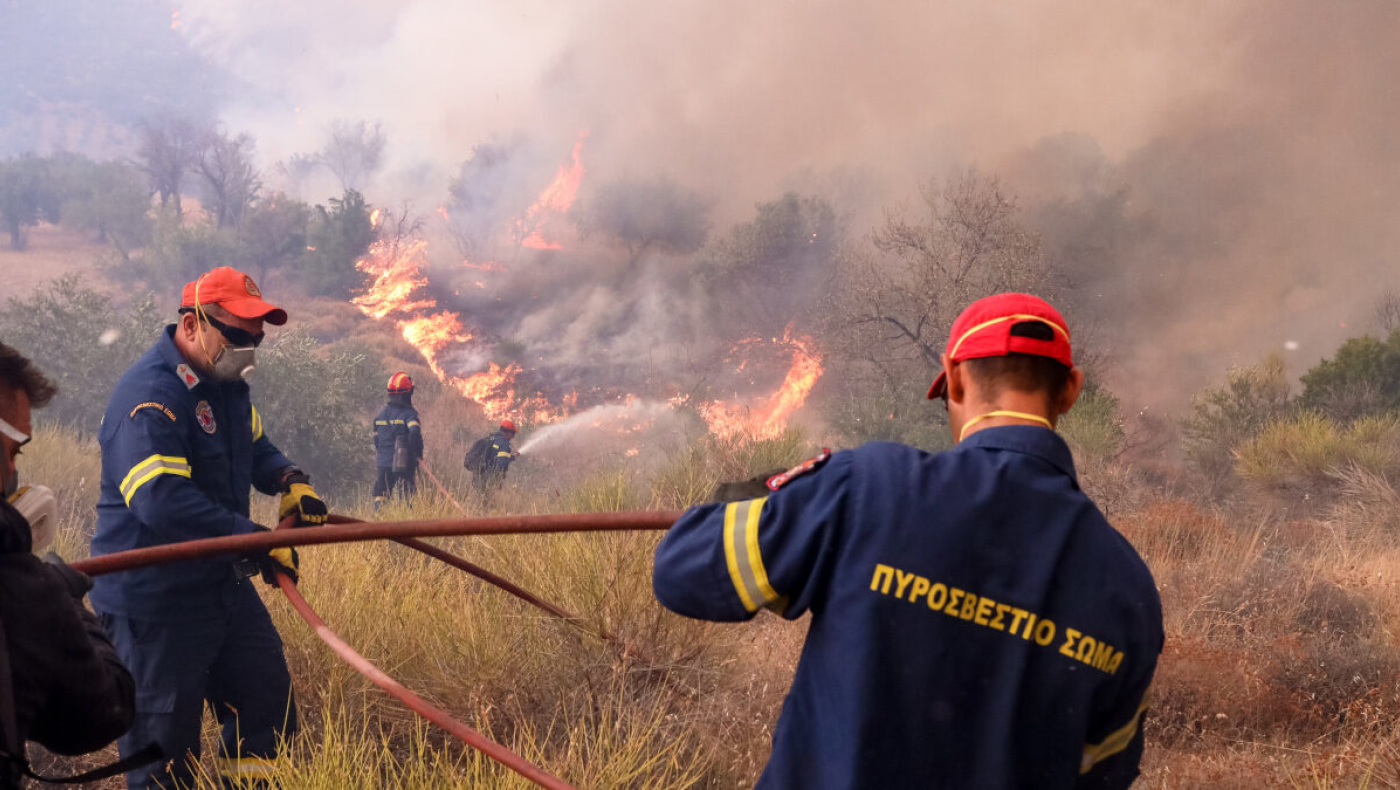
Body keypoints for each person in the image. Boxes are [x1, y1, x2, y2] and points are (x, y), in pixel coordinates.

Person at [653, 293, 1163, 789]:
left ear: (956, 378)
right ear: (1071, 389)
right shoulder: (1129, 590)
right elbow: (1102, 771)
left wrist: (764, 500)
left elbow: (684, 572)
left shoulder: (869, 487)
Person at [89, 266, 329, 789]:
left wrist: (290, 478)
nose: (249, 347)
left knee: (264, 700)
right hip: (153, 600)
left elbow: (255, 444)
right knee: (163, 755)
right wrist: (259, 541)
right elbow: (161, 501)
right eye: (237, 335)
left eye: (256, 338)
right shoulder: (150, 395)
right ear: (193, 324)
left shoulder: (225, 384)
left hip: (218, 584)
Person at [0, 342, 137, 788]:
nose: (12, 474)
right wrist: (64, 601)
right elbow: (102, 713)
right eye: (13, 452)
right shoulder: (20, 590)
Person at [371, 372, 423, 509]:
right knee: (407, 496)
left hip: (383, 462)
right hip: (403, 463)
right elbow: (415, 433)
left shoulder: (380, 415)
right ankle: (406, 521)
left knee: (381, 494)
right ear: (408, 393)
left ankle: (378, 522)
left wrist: (384, 453)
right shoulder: (409, 414)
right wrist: (416, 454)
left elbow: (376, 439)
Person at [465, 419, 519, 492]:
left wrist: (512, 457)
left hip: (478, 478)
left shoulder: (490, 438)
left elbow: (494, 457)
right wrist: (498, 481)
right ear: (508, 432)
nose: (513, 437)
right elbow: (502, 464)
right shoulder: (504, 444)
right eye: (513, 434)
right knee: (488, 502)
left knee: (478, 501)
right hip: (489, 481)